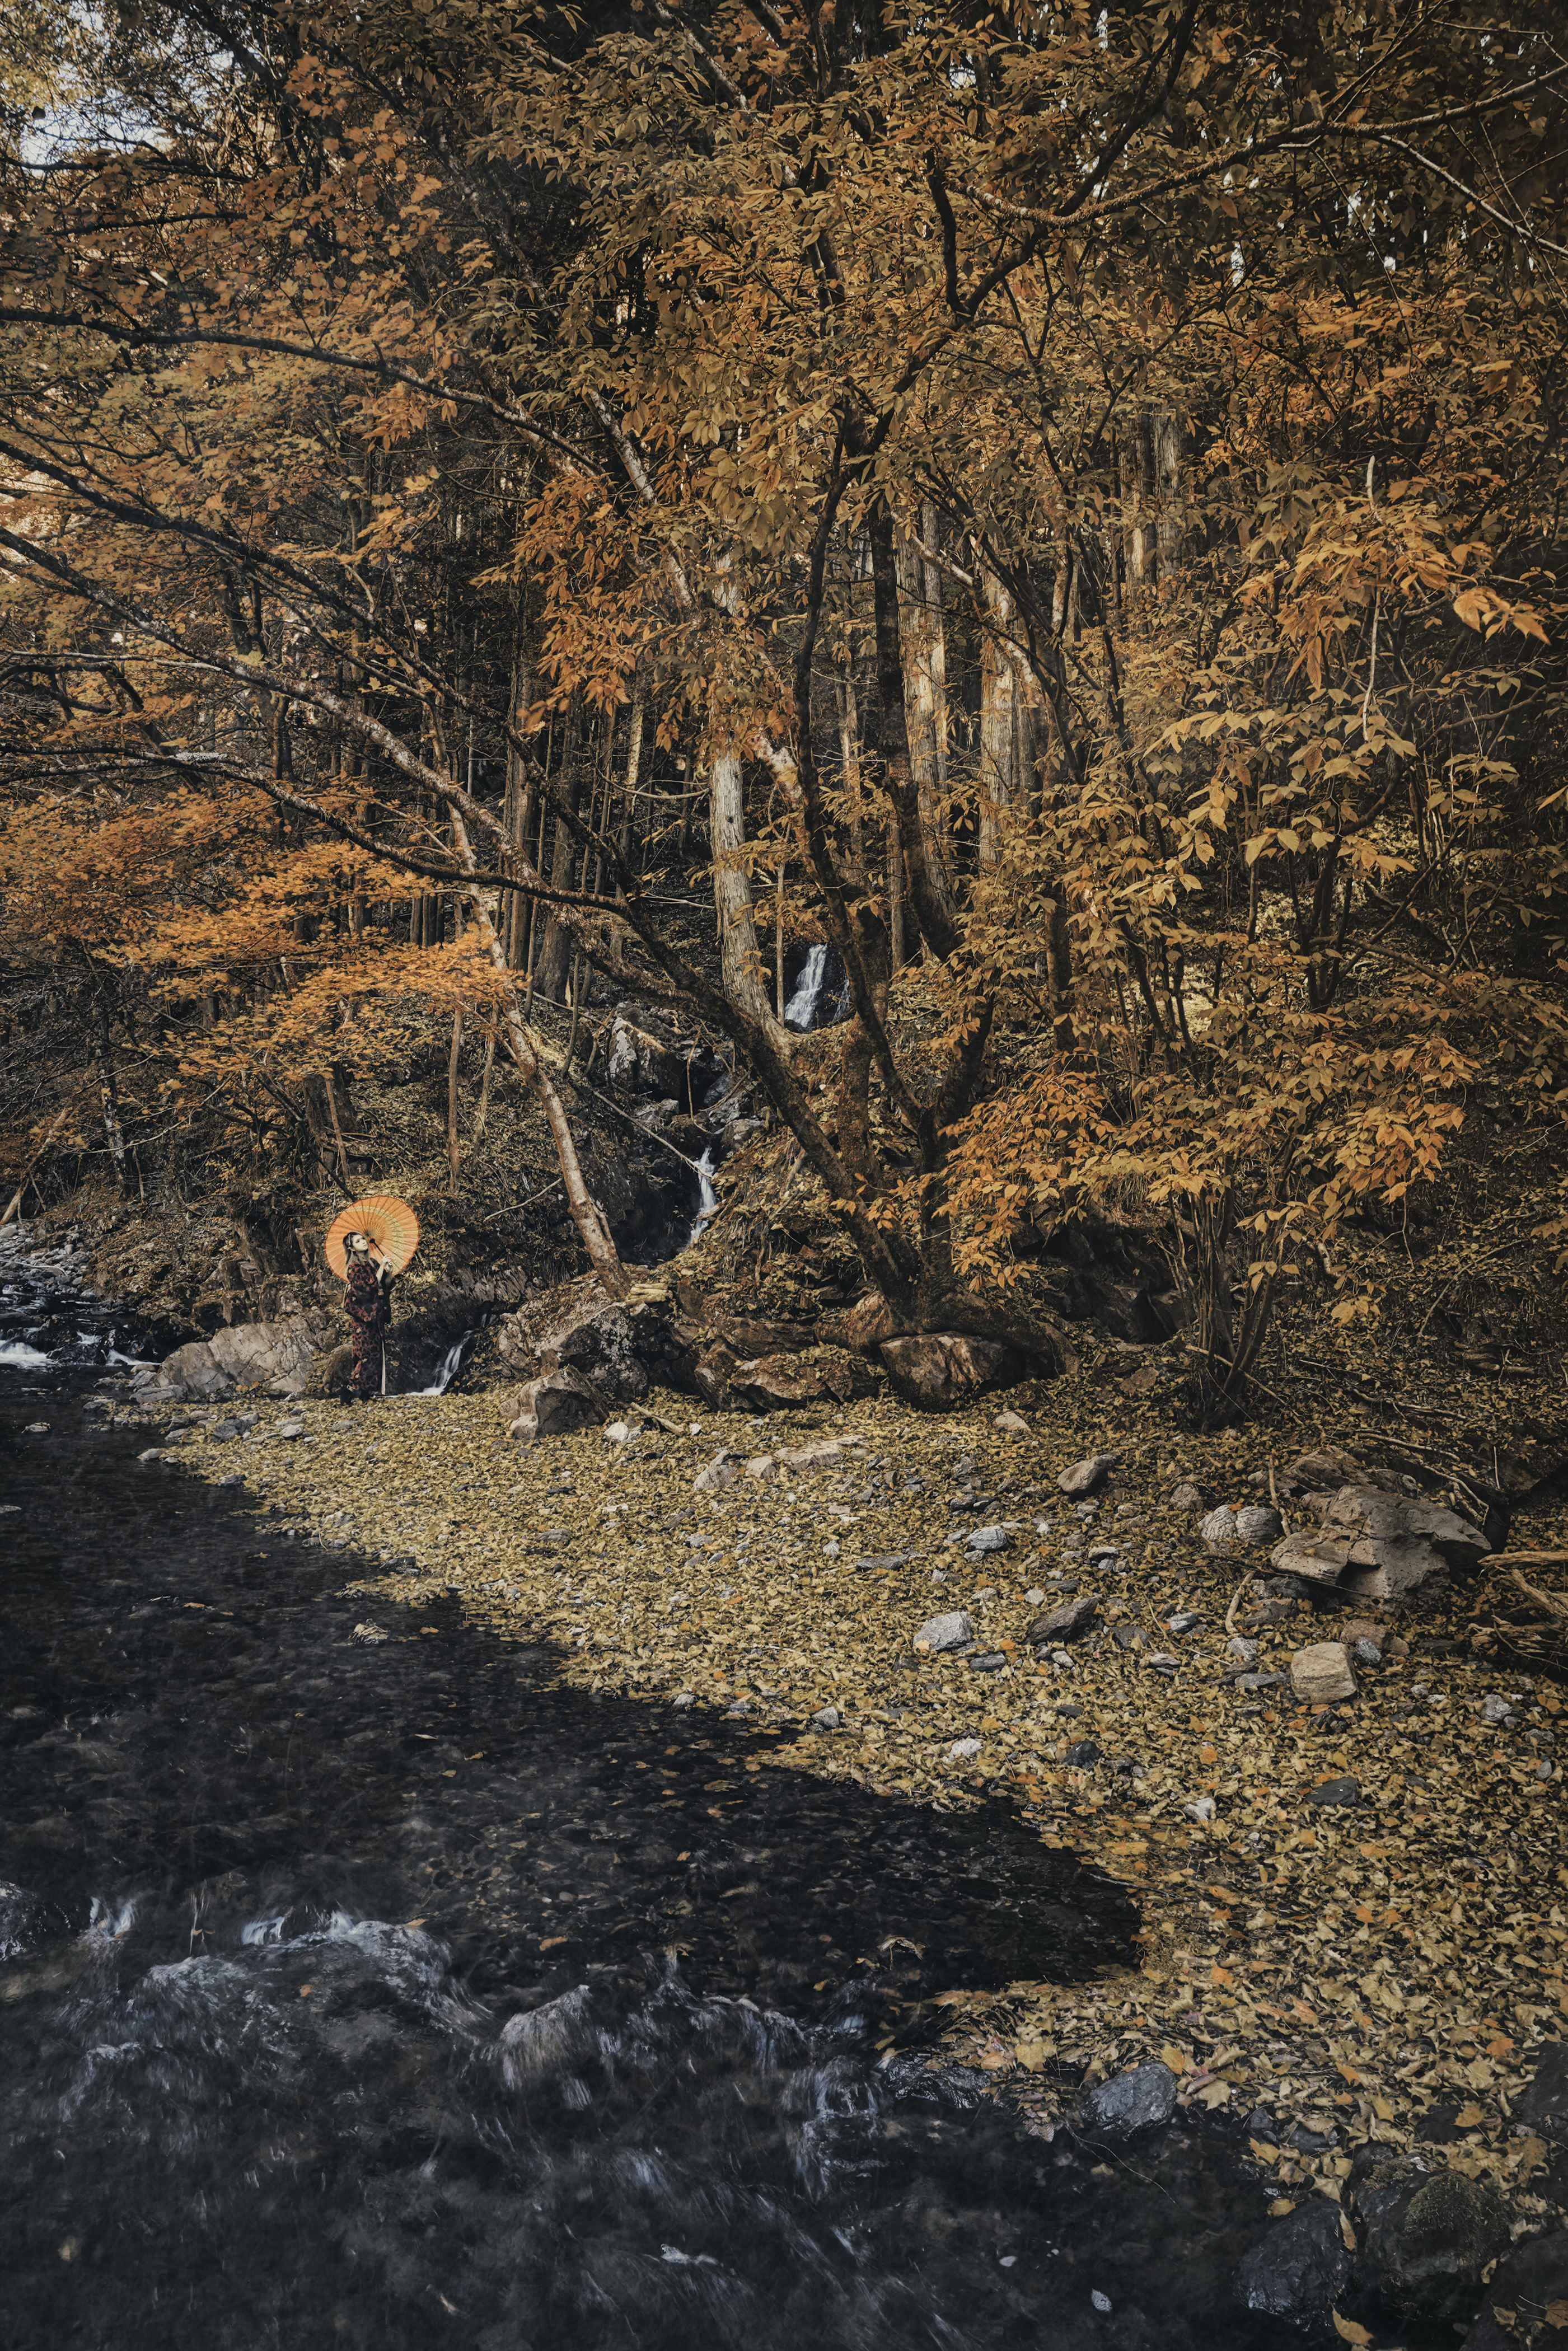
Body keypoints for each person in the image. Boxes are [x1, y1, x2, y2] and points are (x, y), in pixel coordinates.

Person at [343, 1230, 394, 1399]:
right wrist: (381, 1269)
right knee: (366, 1355)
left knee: (377, 1354)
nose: (363, 1242)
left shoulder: (373, 1263)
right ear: (352, 1248)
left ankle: (367, 1393)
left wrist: (389, 1271)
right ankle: (348, 1391)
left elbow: (385, 1286)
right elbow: (369, 1288)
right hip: (363, 1318)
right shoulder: (353, 1268)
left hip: (376, 1315)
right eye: (358, 1241)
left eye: (363, 1239)